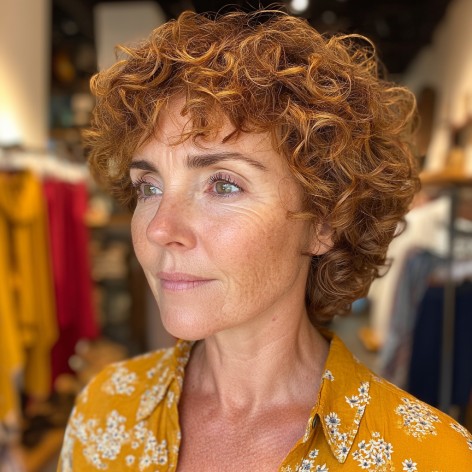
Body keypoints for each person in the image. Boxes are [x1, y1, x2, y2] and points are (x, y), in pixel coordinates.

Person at [58, 9, 472, 471]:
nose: (159, 228)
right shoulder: (103, 412)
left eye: (223, 185)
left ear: (324, 222)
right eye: (149, 187)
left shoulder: (432, 457)